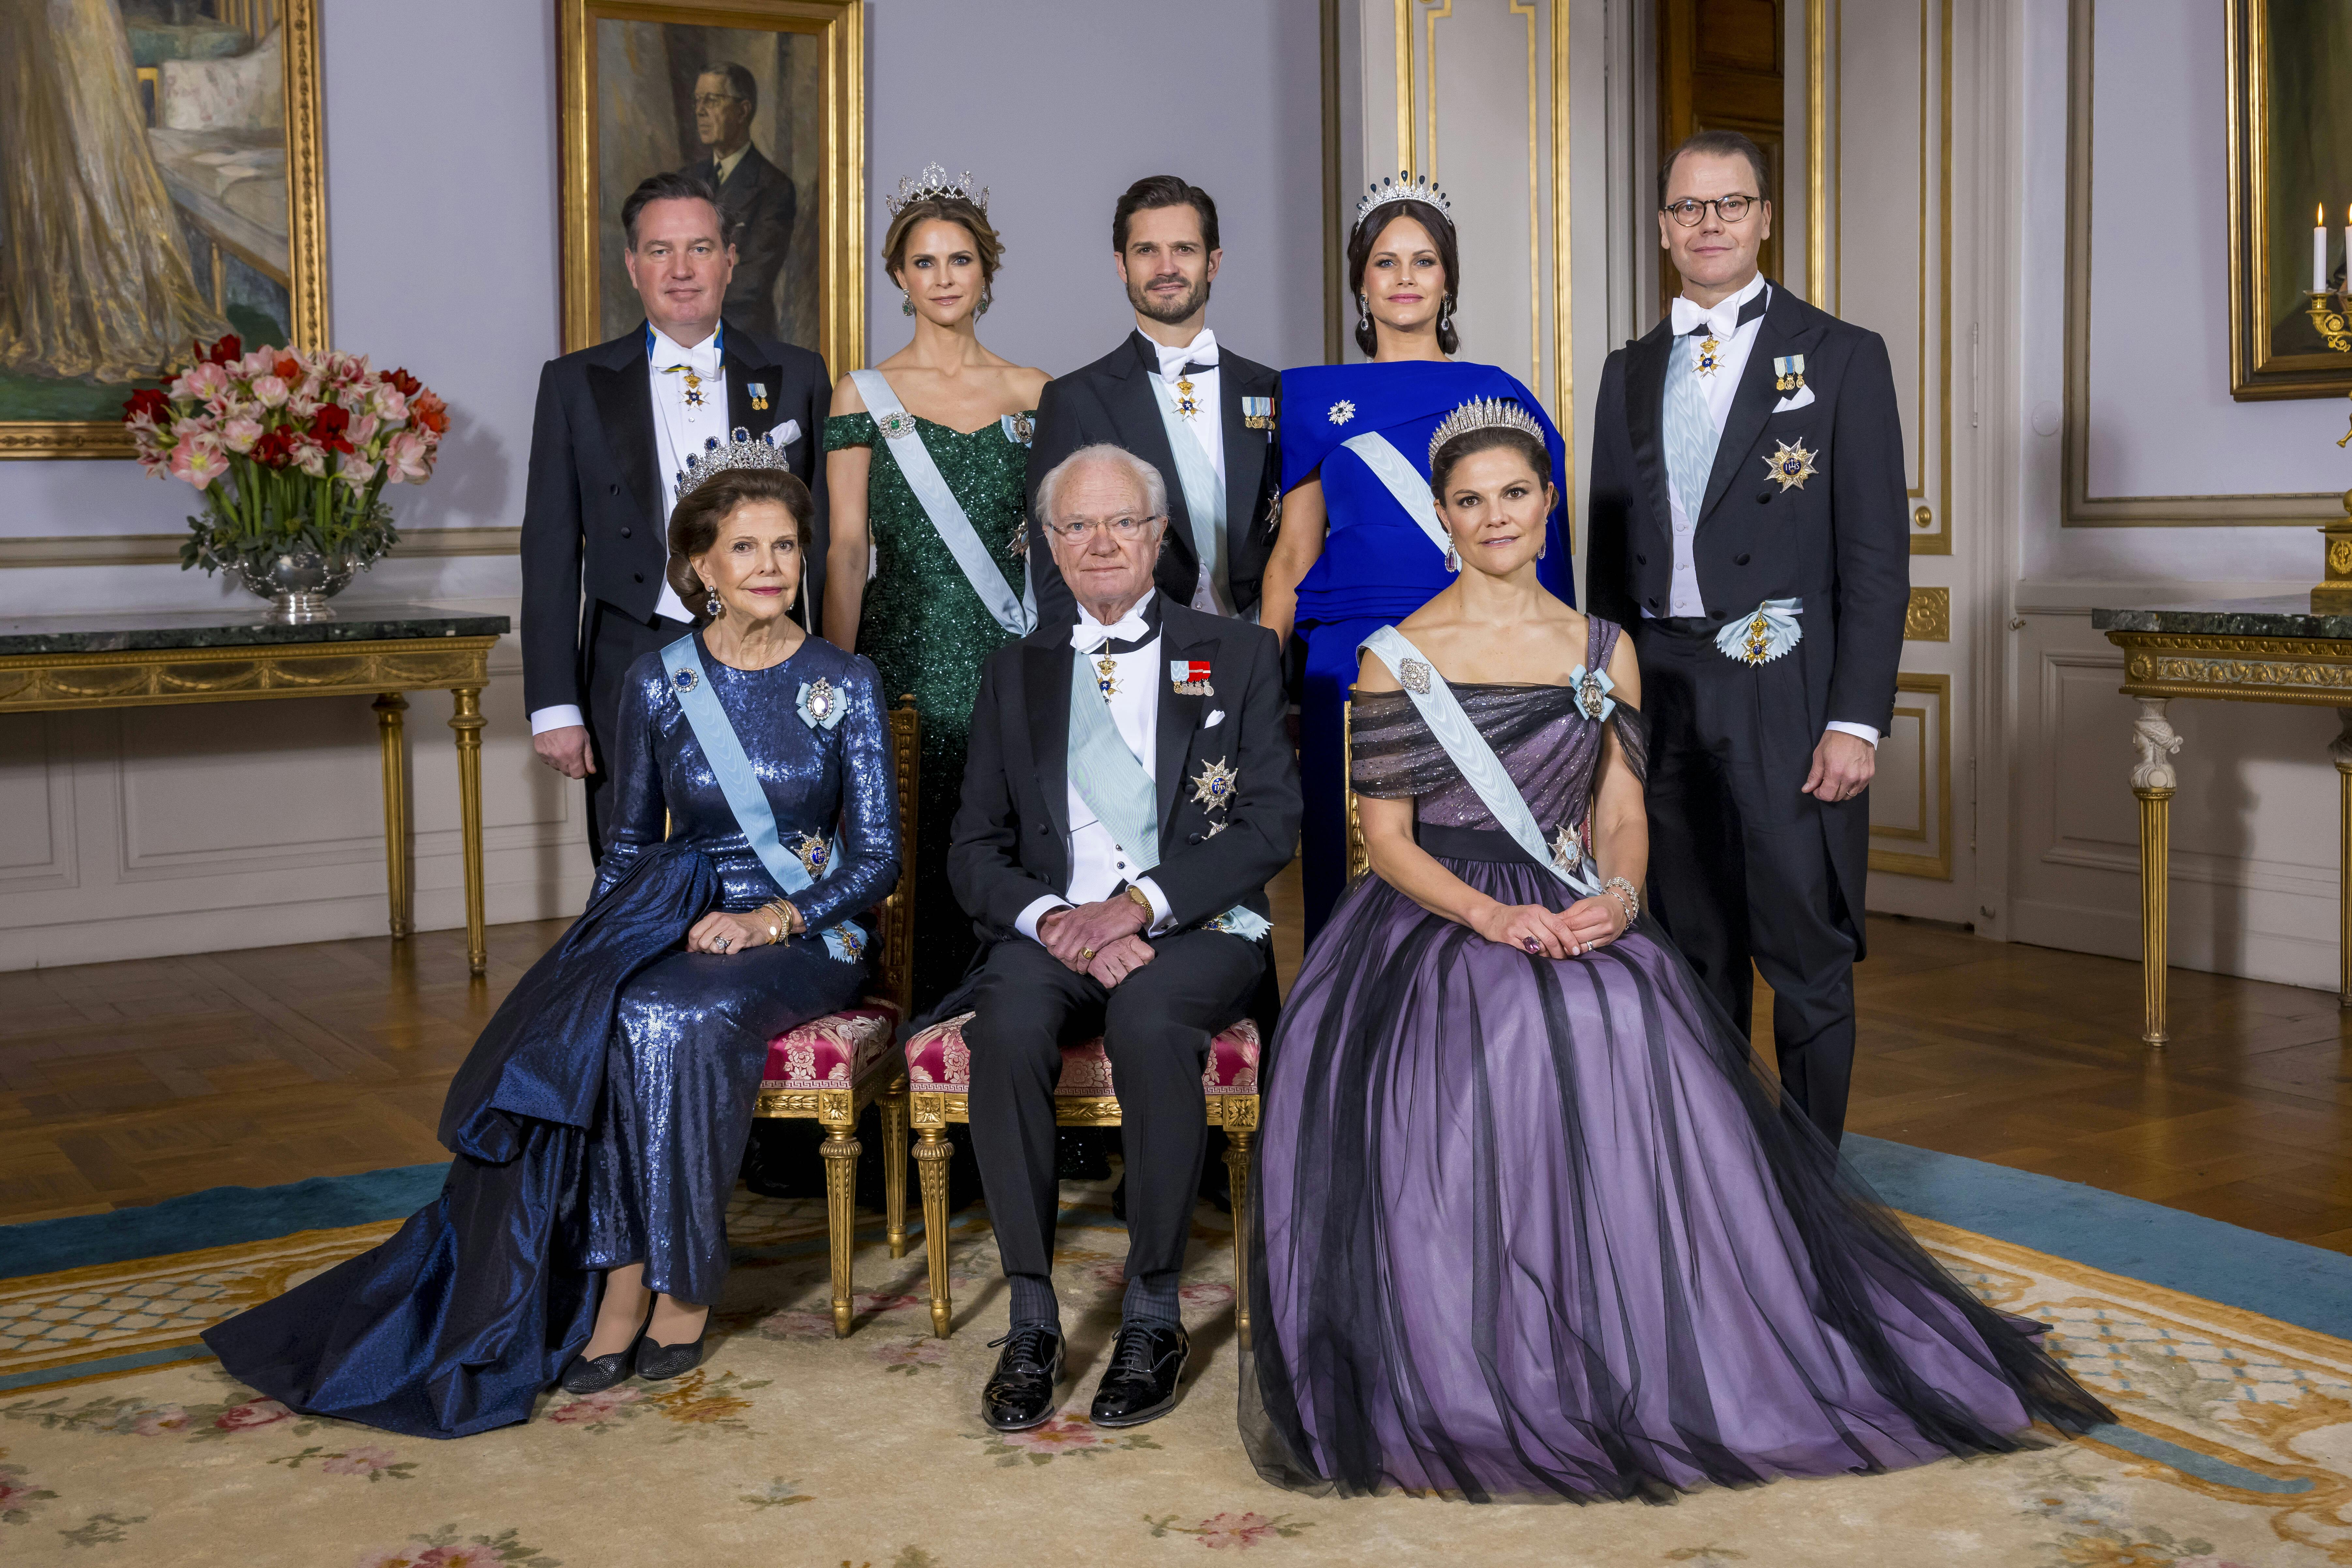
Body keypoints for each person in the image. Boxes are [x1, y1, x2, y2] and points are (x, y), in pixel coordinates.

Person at [1242, 401, 2108, 1500]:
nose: (1495, 515)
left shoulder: (1607, 650)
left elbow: (1622, 807)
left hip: (1576, 901)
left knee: (1618, 1016)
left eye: (1515, 492)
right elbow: (1387, 842)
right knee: (1508, 1035)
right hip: (1439, 920)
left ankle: (1655, 1330)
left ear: (1548, 503)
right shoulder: (1394, 656)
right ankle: (1488, 1352)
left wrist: (1619, 892)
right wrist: (1494, 917)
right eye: (1470, 500)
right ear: (1444, 519)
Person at [203, 450, 900, 1439]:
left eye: (786, 546)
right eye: (743, 546)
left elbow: (877, 859)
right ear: (698, 564)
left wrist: (769, 920)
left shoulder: (845, 680)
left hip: (810, 929)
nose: (769, 564)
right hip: (677, 912)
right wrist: (590, 959)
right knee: (603, 1011)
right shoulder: (659, 681)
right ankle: (620, 1279)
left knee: (667, 1012)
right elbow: (626, 846)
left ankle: (684, 1286)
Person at [940, 444, 1299, 1435]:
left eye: (1120, 523)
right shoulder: (1013, 672)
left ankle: (1151, 1312)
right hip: (1054, 930)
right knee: (1004, 1025)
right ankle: (1030, 1317)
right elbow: (972, 848)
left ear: (1157, 536)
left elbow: (1272, 822)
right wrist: (1057, 921)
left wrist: (1137, 906)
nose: (1099, 543)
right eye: (1075, 526)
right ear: (1049, 545)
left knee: (1148, 1023)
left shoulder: (1234, 655)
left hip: (1188, 925)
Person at [1585, 128, 1909, 1144]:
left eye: (1730, 204)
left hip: (1783, 686)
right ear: (1663, 229)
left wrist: (1855, 721)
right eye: (1689, 207)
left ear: (1766, 218)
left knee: (1803, 949)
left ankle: (1815, 1187)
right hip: (1658, 688)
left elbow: (1874, 556)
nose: (1709, 223)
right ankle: (1721, 1176)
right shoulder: (1627, 369)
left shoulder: (1842, 357)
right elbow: (1605, 555)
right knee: (1688, 946)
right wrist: (1604, 711)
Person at [1259, 176, 1575, 939]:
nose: (1404, 277)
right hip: (1351, 654)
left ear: (1448, 282)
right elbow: (1293, 554)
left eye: (1424, 261)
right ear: (1361, 283)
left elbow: (1540, 547)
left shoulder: (1499, 393)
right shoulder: (1310, 399)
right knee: (1354, 869)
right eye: (1385, 261)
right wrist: (1254, 690)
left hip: (1477, 646)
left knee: (1477, 856)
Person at [522, 169, 830, 862]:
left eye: (700, 248)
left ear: (730, 259)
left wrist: (833, 662)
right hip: (631, 657)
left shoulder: (797, 374)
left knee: (773, 852)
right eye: (660, 251)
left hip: (771, 656)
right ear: (632, 266)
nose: (682, 270)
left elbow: (827, 542)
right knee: (634, 863)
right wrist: (553, 703)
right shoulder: (574, 383)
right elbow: (547, 551)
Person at [824, 163, 1048, 1011]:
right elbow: (847, 552)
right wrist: (831, 684)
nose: (943, 278)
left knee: (1014, 844)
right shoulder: (862, 393)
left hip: (1012, 658)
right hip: (904, 656)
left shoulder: (1036, 391)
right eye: (925, 263)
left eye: (960, 260)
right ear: (898, 276)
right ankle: (916, 1052)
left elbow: (1060, 549)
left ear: (986, 271)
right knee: (912, 848)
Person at [1024, 175, 1282, 628]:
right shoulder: (1073, 400)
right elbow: (1054, 571)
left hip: (1265, 661)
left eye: (1184, 249)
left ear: (1213, 263)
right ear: (1122, 265)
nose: (1166, 267)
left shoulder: (1272, 391)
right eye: (1147, 251)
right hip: (1136, 666)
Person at [682, 63, 797, 343]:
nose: (700, 111)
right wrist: (721, 266)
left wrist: (685, 286)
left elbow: (753, 281)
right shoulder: (686, 180)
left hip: (746, 341)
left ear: (743, 111)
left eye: (712, 101)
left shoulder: (774, 186)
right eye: (698, 101)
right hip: (683, 340)